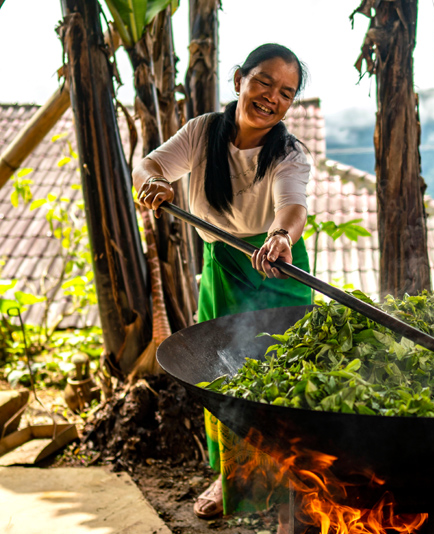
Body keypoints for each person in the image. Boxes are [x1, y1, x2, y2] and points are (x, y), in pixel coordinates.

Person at [133, 43, 313, 519]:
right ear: (239, 80)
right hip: (224, 266)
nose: (273, 98)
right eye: (264, 82)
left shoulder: (290, 152)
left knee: (286, 378)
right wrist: (153, 181)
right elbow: (148, 166)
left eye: (286, 93)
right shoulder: (202, 132)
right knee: (224, 377)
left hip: (276, 264)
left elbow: (292, 207)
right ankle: (232, 479)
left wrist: (279, 237)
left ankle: (295, 481)